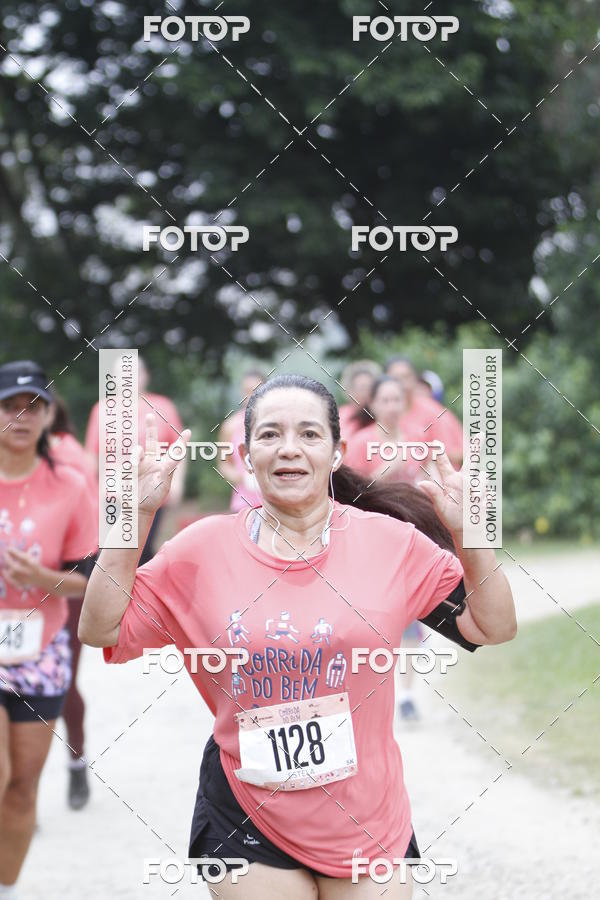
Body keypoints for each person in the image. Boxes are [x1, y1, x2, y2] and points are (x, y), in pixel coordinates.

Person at [79, 374, 516, 899]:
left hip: (366, 816)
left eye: (309, 434)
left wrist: (471, 534)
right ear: (246, 455)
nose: (289, 448)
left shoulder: (391, 543)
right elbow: (100, 627)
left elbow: (493, 625)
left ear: (336, 453)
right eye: (270, 434)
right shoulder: (199, 550)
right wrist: (133, 517)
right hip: (246, 810)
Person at [0, 361, 96, 897]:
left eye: (32, 406)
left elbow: (92, 580)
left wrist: (41, 578)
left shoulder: (69, 485)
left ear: (48, 415)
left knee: (20, 788)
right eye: (9, 406)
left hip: (41, 650)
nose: (21, 416)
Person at [85, 355, 185, 563]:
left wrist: (177, 483)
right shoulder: (101, 410)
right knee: (113, 551)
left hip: (151, 489)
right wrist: (92, 491)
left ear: (145, 376)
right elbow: (92, 457)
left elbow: (179, 447)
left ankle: (142, 584)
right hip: (113, 495)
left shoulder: (163, 406)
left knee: (142, 549)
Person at [49, 396, 98, 810]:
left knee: (62, 681)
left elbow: (85, 534)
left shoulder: (68, 456)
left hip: (65, 582)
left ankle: (76, 762)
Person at [385, 356, 463, 467]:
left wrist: (419, 454)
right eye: (396, 379)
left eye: (406, 377)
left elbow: (458, 453)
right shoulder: (380, 414)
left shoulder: (432, 411)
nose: (403, 384)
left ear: (415, 379)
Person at [344, 376, 422, 485]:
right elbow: (354, 488)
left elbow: (428, 473)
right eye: (385, 401)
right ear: (372, 404)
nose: (392, 407)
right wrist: (386, 471)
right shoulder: (360, 442)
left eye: (397, 400)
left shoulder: (416, 436)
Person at [217, 369, 265, 512]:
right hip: (243, 505)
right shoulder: (230, 426)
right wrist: (243, 478)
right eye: (247, 391)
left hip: (276, 503)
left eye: (256, 391)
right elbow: (223, 464)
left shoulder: (278, 423)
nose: (251, 396)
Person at [337, 361, 382, 440]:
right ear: (350, 390)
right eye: (362, 388)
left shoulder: (381, 416)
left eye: (370, 388)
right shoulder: (340, 415)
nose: (366, 393)